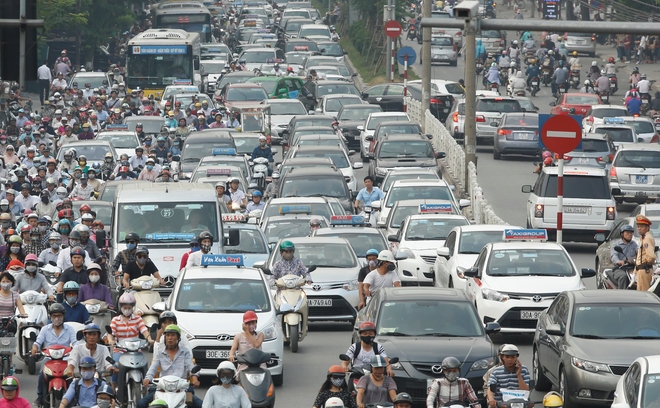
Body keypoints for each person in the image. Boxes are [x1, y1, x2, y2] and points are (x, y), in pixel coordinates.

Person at [139, 324, 201, 408]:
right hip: (162, 388)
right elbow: (153, 367)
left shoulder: (185, 352)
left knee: (201, 405)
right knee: (141, 404)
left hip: (181, 388)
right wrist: (147, 378)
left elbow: (190, 366)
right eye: (167, 335)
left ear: (178, 338)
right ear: (165, 337)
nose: (170, 338)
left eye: (173, 335)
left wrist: (194, 378)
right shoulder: (160, 352)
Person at [32, 303, 77, 407]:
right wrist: (34, 348)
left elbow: (75, 343)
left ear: (63, 316)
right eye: (54, 316)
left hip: (66, 358)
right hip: (49, 359)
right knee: (41, 374)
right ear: (50, 317)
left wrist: (76, 348)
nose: (57, 318)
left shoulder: (69, 329)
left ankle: (73, 397)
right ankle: (40, 396)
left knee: (72, 376)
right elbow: (38, 342)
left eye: (59, 316)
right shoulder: (45, 329)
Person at [608, 225, 638, 289]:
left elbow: (639, 252)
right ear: (622, 234)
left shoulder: (634, 244)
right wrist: (619, 261)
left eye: (631, 233)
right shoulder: (616, 244)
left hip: (632, 267)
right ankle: (622, 295)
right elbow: (614, 256)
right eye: (627, 233)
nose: (630, 234)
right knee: (623, 276)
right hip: (620, 268)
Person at [635, 215, 656, 291]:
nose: (639, 228)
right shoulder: (643, 238)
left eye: (641, 226)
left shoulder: (647, 238)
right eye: (638, 226)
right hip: (641, 270)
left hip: (644, 269)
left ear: (647, 228)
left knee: (643, 294)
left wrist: (646, 264)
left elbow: (651, 256)